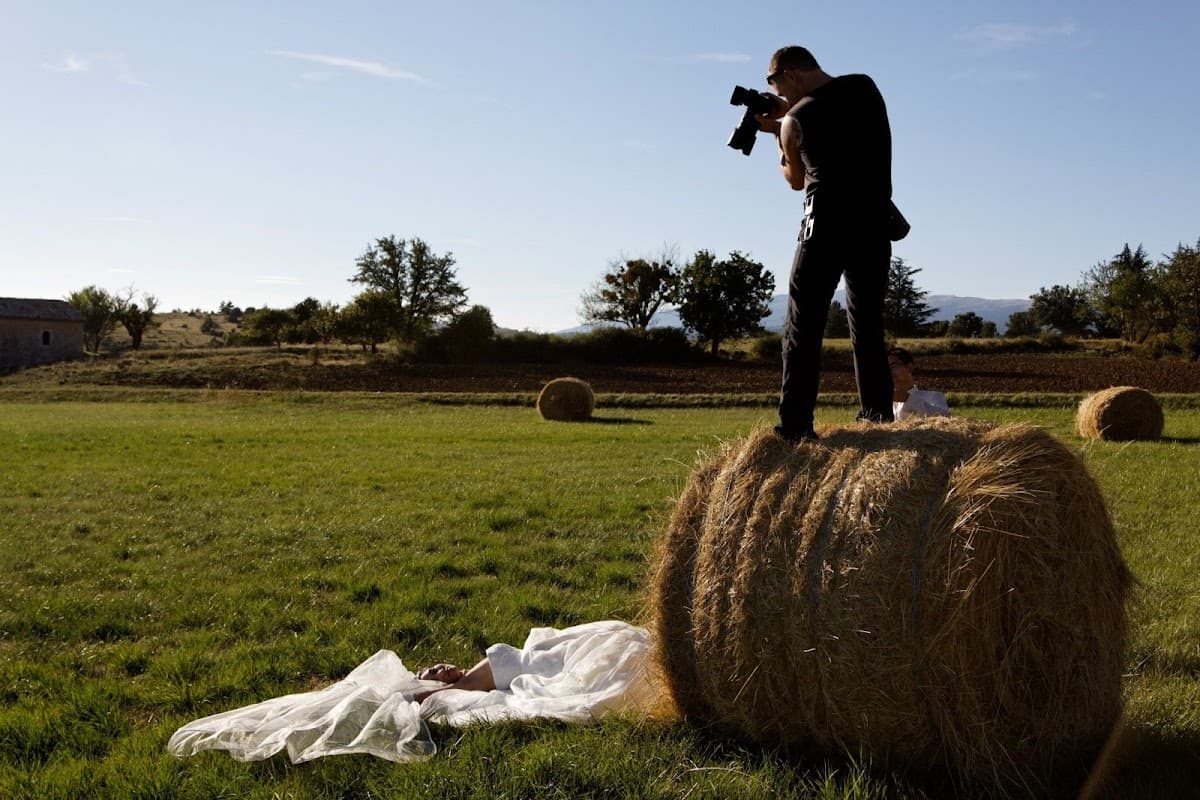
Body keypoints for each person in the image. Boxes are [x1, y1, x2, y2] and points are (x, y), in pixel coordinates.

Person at [168, 620, 656, 764]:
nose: (436, 667)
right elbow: (517, 663)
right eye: (430, 672)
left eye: (434, 668)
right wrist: (457, 683)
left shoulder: (481, 680)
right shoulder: (480, 686)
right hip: (611, 661)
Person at [754, 46, 896, 442]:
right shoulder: (864, 87)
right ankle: (877, 420)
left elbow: (795, 179)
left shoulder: (795, 121)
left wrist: (780, 138)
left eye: (776, 84)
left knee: (803, 325)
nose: (779, 95)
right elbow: (841, 125)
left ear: (791, 74)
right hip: (872, 224)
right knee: (867, 325)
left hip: (826, 226)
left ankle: (796, 428)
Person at [888, 346, 950, 420]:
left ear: (909, 367)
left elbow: (945, 417)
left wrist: (907, 398)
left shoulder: (933, 396)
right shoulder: (883, 403)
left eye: (893, 366)